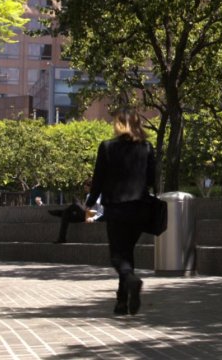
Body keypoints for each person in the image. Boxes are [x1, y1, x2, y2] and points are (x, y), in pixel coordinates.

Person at [86, 109, 156, 315]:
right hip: (139, 208)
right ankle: (122, 301)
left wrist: (90, 202)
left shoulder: (107, 147)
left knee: (117, 255)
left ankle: (131, 282)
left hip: (117, 208)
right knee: (127, 253)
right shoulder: (146, 147)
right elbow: (151, 179)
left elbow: (98, 178)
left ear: (119, 124)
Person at [49, 179, 103, 244]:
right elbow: (86, 208)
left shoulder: (99, 195)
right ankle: (61, 238)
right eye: (85, 185)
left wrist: (93, 218)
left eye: (88, 185)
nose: (85, 186)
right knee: (66, 215)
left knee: (75, 205)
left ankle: (59, 212)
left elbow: (101, 211)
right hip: (85, 215)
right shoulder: (88, 195)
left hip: (90, 216)